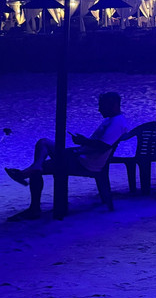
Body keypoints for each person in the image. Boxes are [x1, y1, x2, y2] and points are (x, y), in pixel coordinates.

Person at [5, 92, 129, 221]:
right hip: (82, 156)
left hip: (86, 163)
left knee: (40, 162)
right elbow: (101, 143)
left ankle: (33, 206)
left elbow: (103, 145)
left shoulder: (117, 123)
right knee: (43, 143)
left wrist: (83, 141)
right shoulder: (112, 121)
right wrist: (83, 143)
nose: (99, 109)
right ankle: (31, 170)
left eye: (102, 106)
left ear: (113, 105)